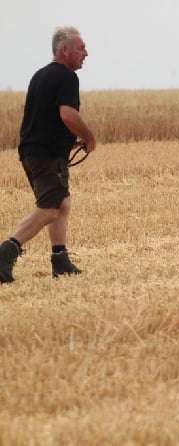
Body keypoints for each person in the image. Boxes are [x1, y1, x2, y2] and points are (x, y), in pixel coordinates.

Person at [0, 26, 96, 284]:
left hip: (32, 152)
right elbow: (67, 114)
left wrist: (67, 137)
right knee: (50, 209)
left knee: (62, 203)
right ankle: (6, 251)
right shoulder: (67, 77)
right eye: (81, 47)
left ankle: (60, 260)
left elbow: (46, 117)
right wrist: (88, 137)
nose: (86, 53)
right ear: (64, 50)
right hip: (47, 156)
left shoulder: (40, 75)